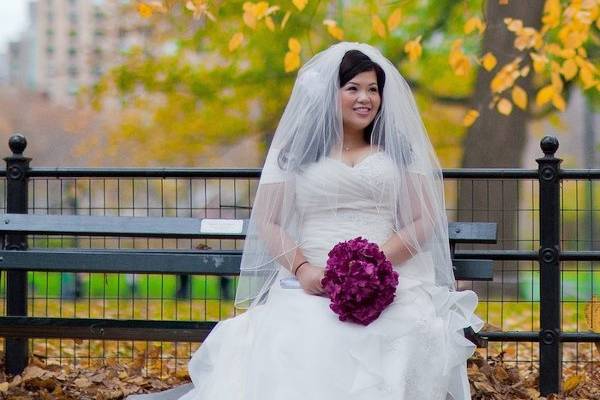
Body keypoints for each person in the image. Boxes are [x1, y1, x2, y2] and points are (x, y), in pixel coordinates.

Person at [128, 41, 483, 400]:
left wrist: (375, 264)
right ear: (331, 94)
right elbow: (269, 221)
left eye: (373, 90)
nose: (366, 98)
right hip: (310, 281)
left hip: (389, 279)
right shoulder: (295, 152)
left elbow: (423, 219)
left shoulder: (397, 151)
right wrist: (303, 270)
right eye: (353, 88)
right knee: (301, 334)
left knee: (402, 329)